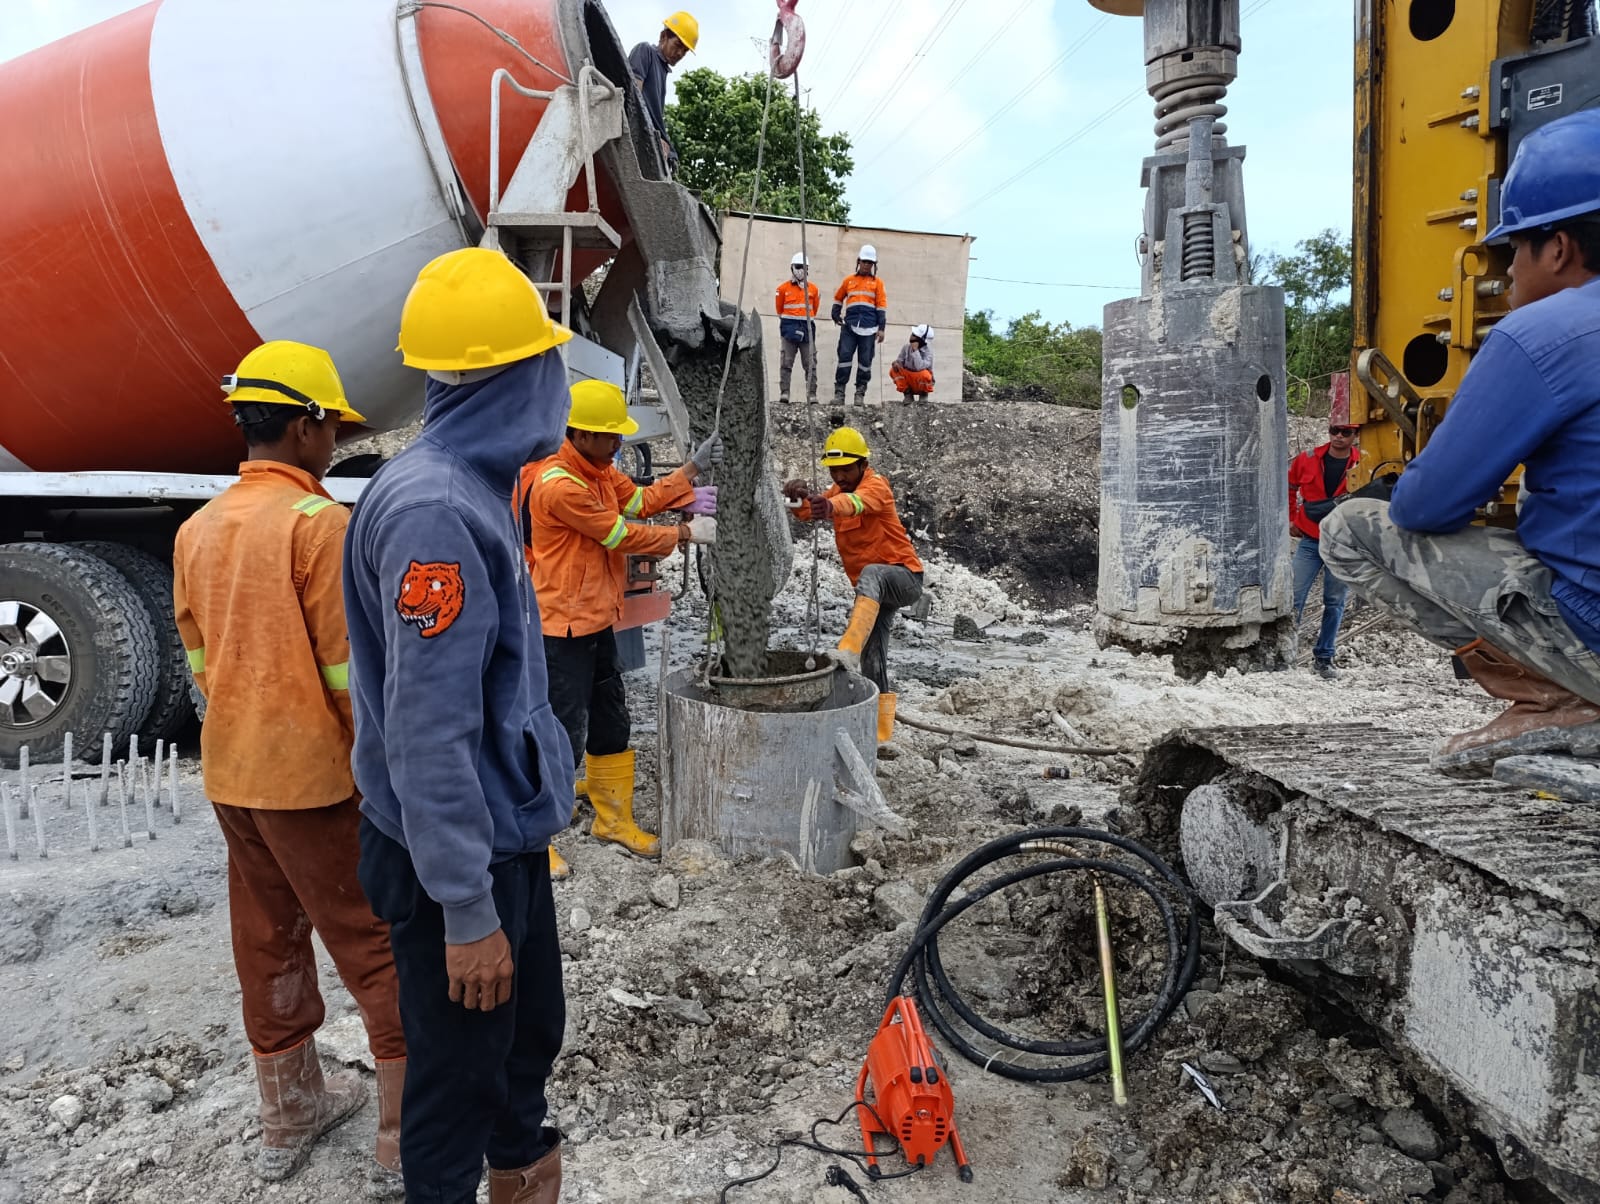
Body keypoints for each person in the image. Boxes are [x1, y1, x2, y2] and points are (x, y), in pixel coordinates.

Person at [344, 247, 574, 1204]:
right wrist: (468, 912)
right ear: (515, 380)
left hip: (495, 841)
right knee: (456, 1083)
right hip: (456, 863)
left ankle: (522, 1170)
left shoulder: (474, 489)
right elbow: (428, 734)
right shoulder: (437, 512)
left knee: (523, 1040)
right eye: (547, 363)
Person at [172, 341, 405, 1196]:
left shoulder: (198, 527)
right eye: (331, 429)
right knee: (374, 945)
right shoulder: (319, 526)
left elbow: (199, 658)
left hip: (234, 775)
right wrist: (378, 774)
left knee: (265, 942)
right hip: (312, 782)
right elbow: (352, 673)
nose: (335, 445)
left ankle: (290, 1115)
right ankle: (404, 1137)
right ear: (305, 426)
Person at [1320, 107, 1600, 780]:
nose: (1507, 279)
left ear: (1557, 247)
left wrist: (1406, 485)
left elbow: (1424, 510)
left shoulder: (1543, 334)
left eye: (1512, 255)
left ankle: (1562, 697)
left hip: (1591, 624)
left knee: (1350, 529)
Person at [522, 380, 720, 879]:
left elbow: (640, 502)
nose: (618, 446)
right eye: (610, 437)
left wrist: (691, 470)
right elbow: (617, 533)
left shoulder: (601, 472)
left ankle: (613, 820)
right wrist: (682, 533)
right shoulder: (558, 484)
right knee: (560, 732)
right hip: (560, 628)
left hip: (594, 620)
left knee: (611, 720)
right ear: (581, 434)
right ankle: (532, 839)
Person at [782, 426, 923, 742]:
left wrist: (831, 506)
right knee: (875, 659)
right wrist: (796, 497)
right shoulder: (836, 491)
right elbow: (809, 512)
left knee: (872, 573)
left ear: (862, 465)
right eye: (834, 470)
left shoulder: (877, 487)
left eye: (846, 469)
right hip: (872, 594)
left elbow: (856, 504)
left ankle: (848, 649)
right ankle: (881, 736)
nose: (840, 476)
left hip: (904, 578)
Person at [1287, 419, 1360, 679]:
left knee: (1335, 601)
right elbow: (1290, 486)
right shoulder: (1307, 458)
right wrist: (1291, 517)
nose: (1339, 436)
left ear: (1355, 435)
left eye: (1346, 432)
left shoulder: (1362, 464)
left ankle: (1324, 658)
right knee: (1293, 598)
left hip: (1343, 543)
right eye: (1334, 431)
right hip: (1310, 536)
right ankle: (1285, 655)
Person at [628, 10, 697, 176]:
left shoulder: (663, 71)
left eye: (685, 50)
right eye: (678, 45)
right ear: (664, 36)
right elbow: (632, 98)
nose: (680, 53)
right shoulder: (645, 52)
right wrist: (653, 136)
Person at [831, 245, 888, 408]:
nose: (866, 265)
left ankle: (859, 394)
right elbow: (838, 297)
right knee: (844, 358)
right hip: (849, 326)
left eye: (870, 263)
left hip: (869, 329)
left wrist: (881, 328)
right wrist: (835, 312)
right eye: (864, 262)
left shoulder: (878, 284)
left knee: (865, 363)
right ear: (859, 261)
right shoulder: (849, 280)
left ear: (873, 265)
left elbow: (881, 306)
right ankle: (840, 394)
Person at [775, 251, 821, 405]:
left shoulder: (813, 290)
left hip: (807, 332)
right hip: (789, 331)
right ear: (792, 268)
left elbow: (815, 309)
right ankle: (785, 393)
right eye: (798, 266)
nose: (801, 270)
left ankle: (812, 395)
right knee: (786, 363)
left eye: (804, 267)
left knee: (810, 364)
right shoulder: (782, 289)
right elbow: (779, 309)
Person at [889, 323, 935, 403]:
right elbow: (900, 362)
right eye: (913, 334)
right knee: (893, 371)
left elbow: (919, 367)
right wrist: (896, 364)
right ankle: (908, 394)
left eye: (915, 335)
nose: (911, 336)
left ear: (922, 340)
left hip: (921, 381)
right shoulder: (906, 347)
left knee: (925, 374)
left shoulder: (928, 352)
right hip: (909, 379)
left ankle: (923, 394)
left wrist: (915, 351)